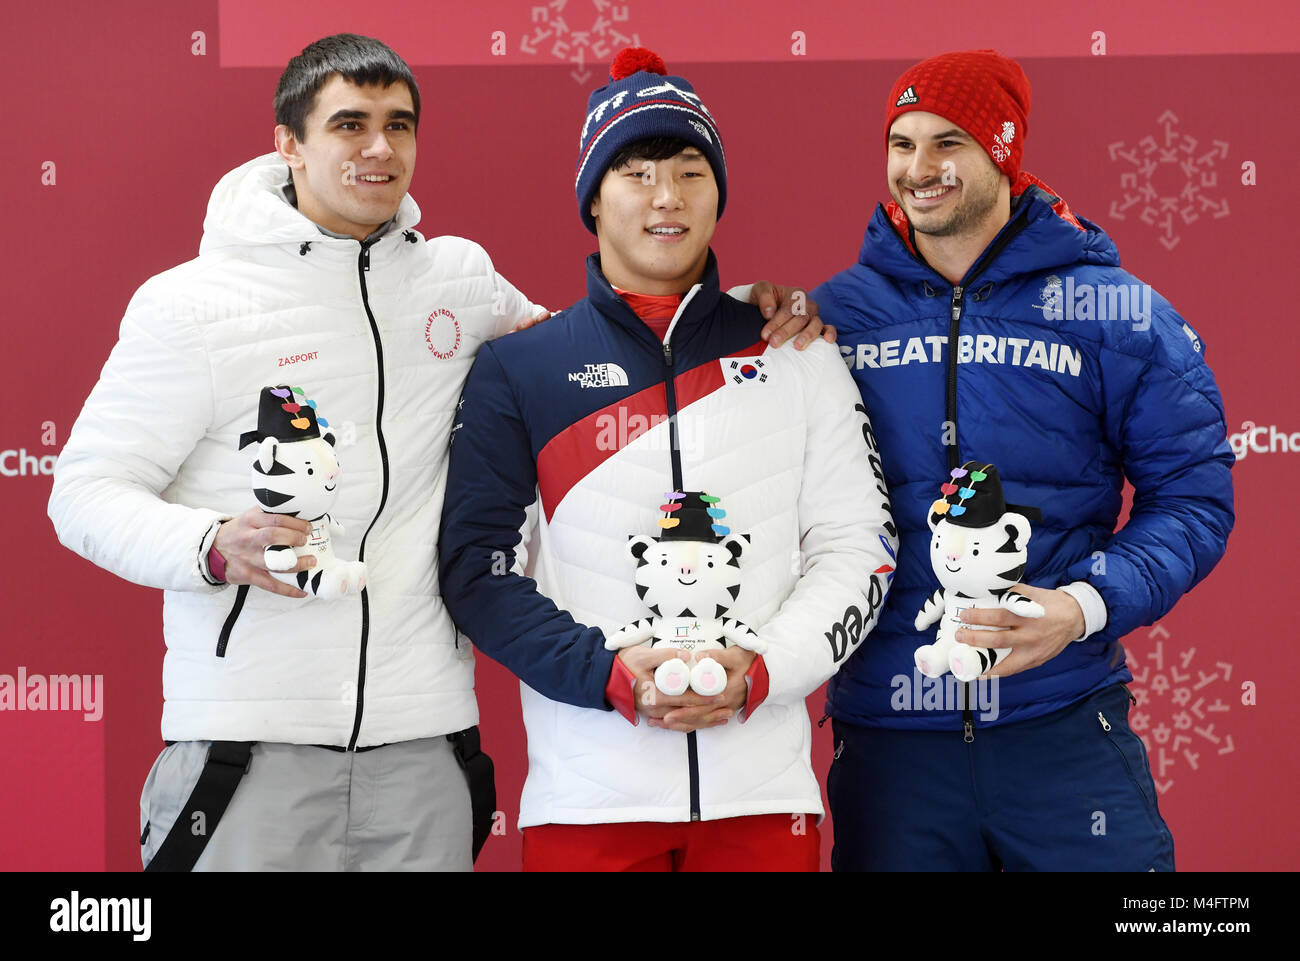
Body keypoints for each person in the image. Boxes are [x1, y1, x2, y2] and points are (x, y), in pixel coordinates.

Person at [47, 34, 825, 871]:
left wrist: (747, 311)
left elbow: (599, 344)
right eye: (349, 124)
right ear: (288, 143)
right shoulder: (191, 305)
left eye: (399, 124)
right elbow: (83, 491)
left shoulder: (458, 280)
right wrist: (206, 544)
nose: (380, 148)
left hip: (425, 746)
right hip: (247, 748)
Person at [438, 47, 898, 872]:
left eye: (690, 170)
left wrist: (762, 671)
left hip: (764, 803)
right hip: (586, 804)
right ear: (593, 198)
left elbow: (860, 546)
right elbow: (478, 571)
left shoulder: (796, 350)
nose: (666, 197)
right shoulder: (523, 367)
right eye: (637, 171)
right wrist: (609, 677)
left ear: (718, 191)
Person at [811, 49, 1235, 871]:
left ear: (1002, 150)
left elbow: (1194, 497)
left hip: (1064, 725)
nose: (919, 169)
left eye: (948, 144)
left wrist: (1083, 604)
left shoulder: (1111, 310)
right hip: (895, 745)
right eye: (902, 143)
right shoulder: (834, 318)